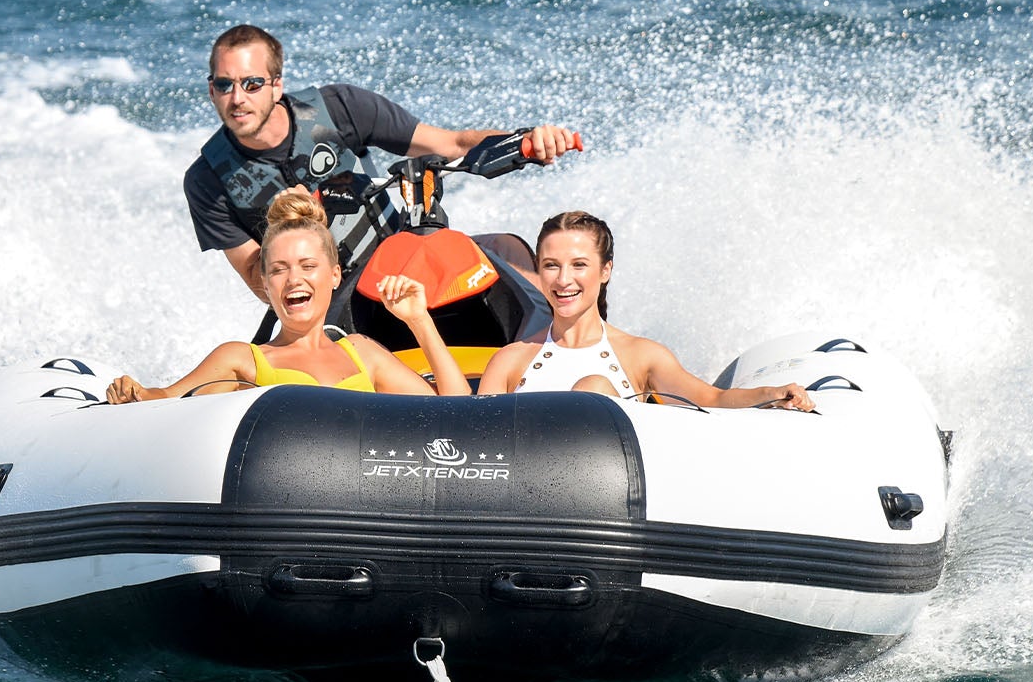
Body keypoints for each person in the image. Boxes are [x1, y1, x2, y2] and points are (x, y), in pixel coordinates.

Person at [186, 24, 580, 304]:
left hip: (402, 257)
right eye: (224, 85)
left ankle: (565, 341)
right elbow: (259, 282)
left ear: (276, 85)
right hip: (334, 304)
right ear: (211, 90)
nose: (237, 98)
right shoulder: (207, 179)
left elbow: (452, 143)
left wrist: (526, 140)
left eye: (252, 83)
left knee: (505, 248)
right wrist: (287, 229)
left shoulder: (339, 108)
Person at [107, 192, 470, 402]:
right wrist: (133, 394)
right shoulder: (242, 359)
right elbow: (167, 401)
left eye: (307, 266)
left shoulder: (361, 352)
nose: (294, 279)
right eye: (279, 269)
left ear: (334, 276)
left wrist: (419, 321)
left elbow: (455, 414)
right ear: (265, 284)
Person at [474, 211, 817, 410]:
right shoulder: (510, 360)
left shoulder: (640, 355)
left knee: (593, 387)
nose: (564, 280)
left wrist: (771, 396)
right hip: (523, 512)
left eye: (579, 265)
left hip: (611, 508)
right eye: (551, 266)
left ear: (605, 270)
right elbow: (477, 443)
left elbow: (711, 398)